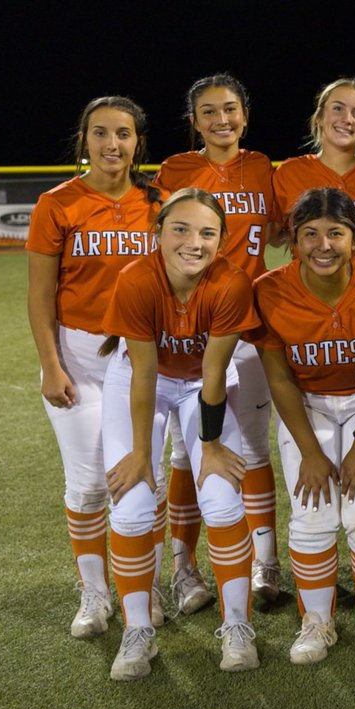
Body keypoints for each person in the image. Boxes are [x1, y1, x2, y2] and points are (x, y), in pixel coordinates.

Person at [99, 187, 262, 679]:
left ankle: (237, 627)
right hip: (138, 381)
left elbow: (212, 374)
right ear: (158, 233)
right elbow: (145, 374)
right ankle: (137, 631)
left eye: (207, 233)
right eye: (181, 229)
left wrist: (209, 446)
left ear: (223, 240)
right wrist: (140, 454)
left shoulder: (232, 283)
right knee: (130, 509)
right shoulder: (136, 279)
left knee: (222, 500)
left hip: (201, 385)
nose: (194, 242)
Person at [249, 187, 355, 664]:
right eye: (310, 234)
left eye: (335, 233)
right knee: (313, 517)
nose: (323, 245)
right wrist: (311, 453)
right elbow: (278, 378)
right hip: (308, 407)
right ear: (292, 242)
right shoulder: (269, 290)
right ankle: (316, 620)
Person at [26, 96, 162, 643]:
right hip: (78, 359)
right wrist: (50, 364)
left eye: (123, 134)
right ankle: (94, 592)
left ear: (138, 142)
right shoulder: (57, 203)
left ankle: (142, 588)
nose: (113, 144)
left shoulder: (160, 204)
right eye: (101, 133)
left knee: (136, 483)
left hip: (141, 359)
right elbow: (39, 296)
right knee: (86, 487)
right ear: (84, 139)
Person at [154, 73, 282, 612]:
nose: (221, 120)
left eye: (230, 109)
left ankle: (265, 561)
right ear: (194, 121)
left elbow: (277, 233)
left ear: (245, 115)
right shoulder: (175, 170)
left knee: (251, 446)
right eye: (209, 112)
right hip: (187, 329)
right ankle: (185, 566)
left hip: (247, 326)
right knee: (186, 450)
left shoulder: (262, 167)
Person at [273, 78, 355, 261]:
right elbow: (272, 238)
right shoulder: (289, 173)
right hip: (310, 288)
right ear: (320, 117)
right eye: (338, 108)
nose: (347, 119)